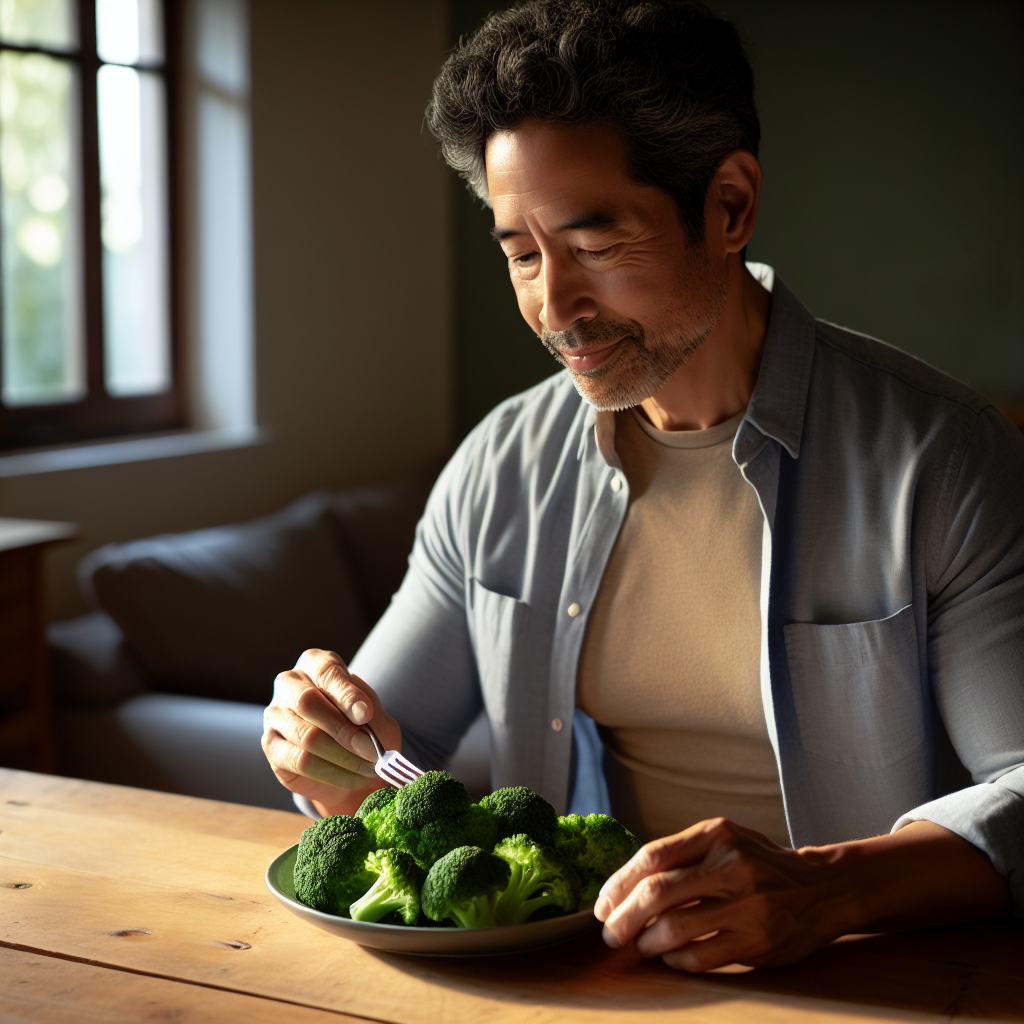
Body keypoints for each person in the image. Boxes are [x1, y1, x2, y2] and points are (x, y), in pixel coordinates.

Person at [261, 0, 1022, 970]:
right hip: (594, 979)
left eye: (593, 246)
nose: (554, 307)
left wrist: (827, 887)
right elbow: (378, 759)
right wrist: (318, 742)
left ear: (730, 205)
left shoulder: (942, 457)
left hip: (877, 977)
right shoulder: (499, 466)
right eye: (522, 254)